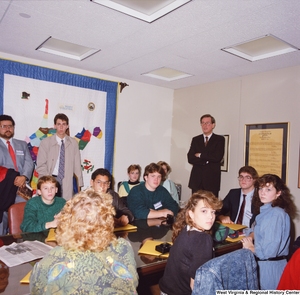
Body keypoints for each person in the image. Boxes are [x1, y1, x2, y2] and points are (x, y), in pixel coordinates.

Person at [30, 189, 139, 294]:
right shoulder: (123, 248)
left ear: (68, 220)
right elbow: (132, 283)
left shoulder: (53, 256)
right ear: (108, 220)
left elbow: (36, 289)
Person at [159, 191, 222, 295]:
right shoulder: (203, 240)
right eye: (204, 211)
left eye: (213, 212)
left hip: (165, 290)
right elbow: (197, 286)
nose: (210, 217)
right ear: (191, 214)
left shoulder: (186, 229)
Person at [242, 174, 297, 290]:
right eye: (261, 188)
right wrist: (251, 235)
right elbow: (257, 229)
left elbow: (268, 252)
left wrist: (251, 247)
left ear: (278, 193)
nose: (262, 192)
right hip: (269, 265)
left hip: (270, 268)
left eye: (268, 189)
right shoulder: (267, 210)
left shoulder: (275, 214)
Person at [36, 113, 83, 200]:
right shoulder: (45, 143)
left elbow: (77, 167)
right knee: (49, 205)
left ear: (67, 126)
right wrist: (48, 181)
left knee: (65, 206)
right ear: (54, 126)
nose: (61, 127)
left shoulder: (73, 143)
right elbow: (41, 165)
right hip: (50, 179)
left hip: (67, 180)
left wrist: (79, 185)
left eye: (64, 124)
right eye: (59, 124)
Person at [0, 114, 34, 235]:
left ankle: (21, 248)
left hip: (22, 187)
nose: (8, 129)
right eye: (4, 126)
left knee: (21, 217)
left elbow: (29, 163)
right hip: (4, 188)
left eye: (10, 126)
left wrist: (24, 177)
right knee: (3, 220)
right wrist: (13, 177)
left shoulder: (22, 144)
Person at [187, 114, 225, 197]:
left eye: (207, 123)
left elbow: (217, 157)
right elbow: (190, 158)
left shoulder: (219, 139)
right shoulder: (196, 139)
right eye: (203, 123)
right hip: (197, 180)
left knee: (211, 206)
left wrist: (200, 155)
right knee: (196, 206)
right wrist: (207, 160)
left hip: (211, 181)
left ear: (213, 125)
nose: (205, 125)